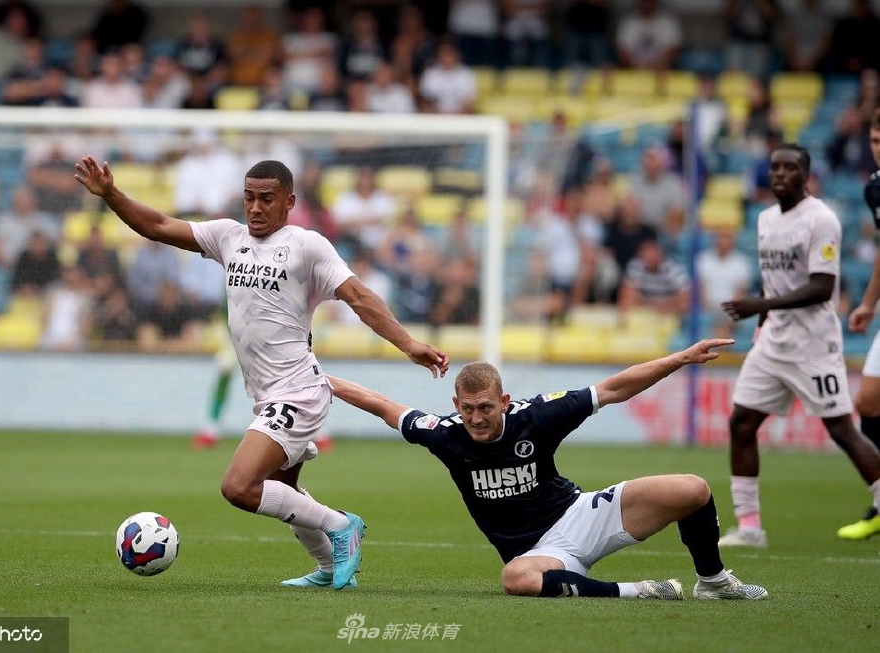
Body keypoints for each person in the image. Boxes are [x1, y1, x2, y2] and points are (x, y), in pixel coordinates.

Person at [74, 156, 449, 591]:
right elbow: (157, 225)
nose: (255, 207)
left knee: (239, 486)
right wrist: (111, 195)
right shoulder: (227, 237)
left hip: (299, 390)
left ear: (289, 202)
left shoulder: (308, 246)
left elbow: (360, 297)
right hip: (267, 394)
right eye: (249, 198)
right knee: (282, 489)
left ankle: (343, 525)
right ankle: (330, 569)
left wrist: (409, 345)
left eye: (266, 199)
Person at [327, 339, 768, 600]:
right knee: (515, 578)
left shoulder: (537, 416)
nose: (476, 419)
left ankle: (713, 581)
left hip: (580, 515)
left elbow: (613, 388)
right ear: (455, 406)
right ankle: (638, 590)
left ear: (504, 402)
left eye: (485, 408)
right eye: (467, 409)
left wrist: (681, 358)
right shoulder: (446, 434)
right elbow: (385, 406)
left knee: (692, 489)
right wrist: (317, 376)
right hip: (539, 554)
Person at [719, 144, 880, 547]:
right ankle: (750, 527)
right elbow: (769, 281)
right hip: (772, 342)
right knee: (741, 423)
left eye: (790, 168)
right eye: (774, 167)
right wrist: (761, 322)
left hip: (813, 344)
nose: (780, 174)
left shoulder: (822, 219)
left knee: (841, 429)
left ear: (806, 176)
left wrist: (761, 305)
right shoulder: (765, 219)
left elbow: (822, 287)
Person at [839, 108, 880, 541]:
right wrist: (868, 302)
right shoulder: (875, 188)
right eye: (874, 140)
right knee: (868, 403)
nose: (878, 148)